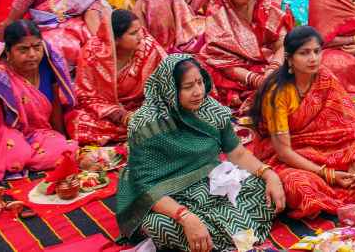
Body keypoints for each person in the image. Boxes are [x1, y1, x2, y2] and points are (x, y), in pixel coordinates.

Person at [115, 55, 284, 252]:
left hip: (207, 184)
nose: (198, 92)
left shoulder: (211, 110)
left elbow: (237, 153)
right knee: (159, 225)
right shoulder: (146, 125)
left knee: (264, 188)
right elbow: (145, 187)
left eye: (199, 82)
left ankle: (214, 236)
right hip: (164, 196)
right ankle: (221, 233)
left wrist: (269, 175)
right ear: (170, 89)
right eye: (188, 87)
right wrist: (185, 217)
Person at [251, 26, 355, 218]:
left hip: (333, 148)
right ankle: (331, 187)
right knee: (300, 187)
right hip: (292, 154)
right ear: (289, 59)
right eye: (304, 53)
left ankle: (346, 178)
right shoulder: (278, 94)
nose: (313, 58)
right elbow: (284, 152)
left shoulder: (325, 77)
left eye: (316, 51)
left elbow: (347, 126)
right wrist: (328, 174)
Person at [0, 20, 77, 186]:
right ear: (8, 52)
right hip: (3, 133)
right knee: (17, 153)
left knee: (65, 150)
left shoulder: (48, 63)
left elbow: (55, 105)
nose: (32, 54)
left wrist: (62, 137)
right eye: (23, 49)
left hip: (36, 132)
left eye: (37, 47)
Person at [200, 0, 293, 111]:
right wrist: (256, 80)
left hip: (268, 60)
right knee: (203, 69)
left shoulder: (264, 6)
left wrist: (273, 69)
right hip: (234, 67)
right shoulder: (219, 14)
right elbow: (221, 59)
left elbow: (284, 43)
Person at [67, 10, 167, 145]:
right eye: (133, 33)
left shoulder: (149, 48)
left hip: (142, 105)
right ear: (114, 38)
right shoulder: (93, 53)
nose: (140, 36)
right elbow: (86, 95)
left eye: (140, 30)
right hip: (108, 113)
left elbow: (168, 76)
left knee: (167, 114)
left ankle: (143, 130)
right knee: (79, 122)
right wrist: (122, 116)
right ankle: (142, 131)